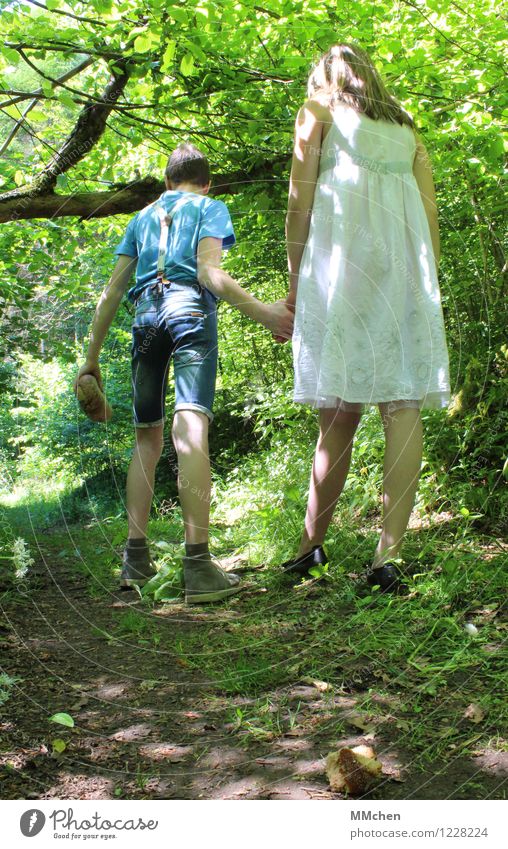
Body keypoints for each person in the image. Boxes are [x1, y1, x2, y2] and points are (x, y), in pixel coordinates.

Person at [75, 143, 293, 603]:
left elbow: (112, 291)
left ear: (167, 181)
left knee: (146, 438)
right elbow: (208, 273)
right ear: (206, 182)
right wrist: (266, 314)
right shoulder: (209, 207)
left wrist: (90, 359)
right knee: (190, 425)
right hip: (190, 313)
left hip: (146, 319)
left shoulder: (142, 218)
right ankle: (198, 566)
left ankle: (135, 560)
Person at [282, 44, 450, 592]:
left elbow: (299, 204)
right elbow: (428, 214)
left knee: (337, 410)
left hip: (340, 270)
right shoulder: (407, 129)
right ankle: (387, 559)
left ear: (323, 78)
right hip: (403, 275)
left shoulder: (317, 113)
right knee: (402, 407)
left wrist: (293, 278)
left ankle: (311, 548)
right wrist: (425, 284)